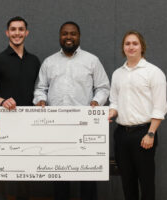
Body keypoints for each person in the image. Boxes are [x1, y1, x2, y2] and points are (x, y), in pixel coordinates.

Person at [33, 21, 110, 200]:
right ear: (60, 36)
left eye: (73, 33)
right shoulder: (49, 62)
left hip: (84, 126)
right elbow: (40, 88)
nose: (69, 37)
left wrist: (96, 103)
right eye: (65, 34)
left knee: (87, 175)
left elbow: (104, 87)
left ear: (79, 36)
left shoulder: (92, 60)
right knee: (60, 174)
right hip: (56, 127)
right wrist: (41, 100)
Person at [0, 16, 40, 200]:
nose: (17, 33)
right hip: (4, 123)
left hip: (29, 124)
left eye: (21, 29)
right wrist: (1, 101)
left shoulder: (35, 61)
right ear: (7, 33)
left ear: (26, 33)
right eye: (13, 29)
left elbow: (40, 90)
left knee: (26, 171)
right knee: (1, 170)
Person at [108, 30, 167, 200]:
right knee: (127, 182)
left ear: (142, 47)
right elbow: (114, 102)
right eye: (127, 43)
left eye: (135, 43)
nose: (131, 47)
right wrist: (111, 112)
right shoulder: (117, 74)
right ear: (123, 48)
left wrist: (151, 133)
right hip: (121, 134)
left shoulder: (154, 72)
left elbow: (160, 107)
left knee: (146, 182)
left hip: (144, 134)